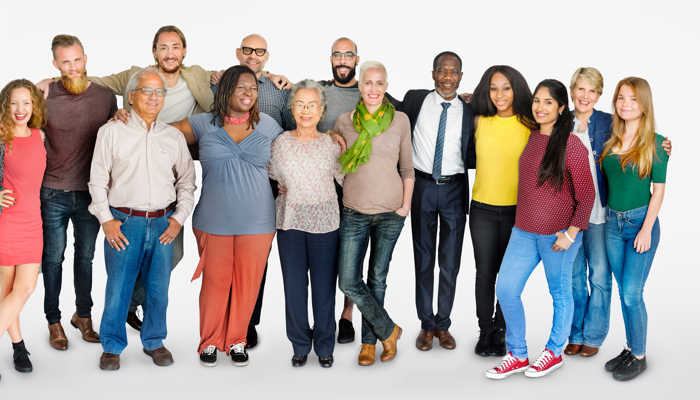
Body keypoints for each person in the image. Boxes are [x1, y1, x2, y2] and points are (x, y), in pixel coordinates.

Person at [169, 65, 281, 367]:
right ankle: (209, 342)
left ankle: (237, 341)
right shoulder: (204, 123)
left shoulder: (268, 125)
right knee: (215, 283)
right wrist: (126, 117)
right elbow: (161, 132)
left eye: (253, 88)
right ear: (225, 89)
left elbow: (298, 145)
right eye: (241, 87)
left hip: (259, 221)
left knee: (247, 284)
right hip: (213, 219)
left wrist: (333, 134)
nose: (248, 93)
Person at [88, 68, 196, 371]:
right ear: (132, 95)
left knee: (158, 288)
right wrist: (106, 220)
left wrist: (179, 218)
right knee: (119, 286)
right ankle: (111, 345)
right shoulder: (111, 131)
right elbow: (97, 180)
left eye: (160, 92)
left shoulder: (173, 136)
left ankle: (154, 341)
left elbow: (187, 182)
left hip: (163, 223)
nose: (154, 97)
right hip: (124, 222)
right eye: (147, 91)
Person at [486, 79, 595, 379]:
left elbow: (586, 195)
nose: (540, 107)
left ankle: (554, 352)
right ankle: (518, 354)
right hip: (523, 230)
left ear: (561, 108)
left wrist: (571, 233)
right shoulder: (532, 137)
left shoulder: (572, 145)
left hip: (558, 235)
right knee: (506, 289)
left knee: (559, 294)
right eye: (537, 100)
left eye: (548, 102)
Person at [564, 68, 672, 359]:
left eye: (593, 91)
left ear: (599, 95)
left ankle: (600, 338)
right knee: (574, 277)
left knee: (606, 280)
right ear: (571, 90)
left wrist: (663, 145)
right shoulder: (563, 123)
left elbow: (654, 174)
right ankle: (578, 334)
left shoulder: (611, 123)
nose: (586, 96)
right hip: (576, 216)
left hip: (609, 217)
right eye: (580, 89)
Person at [386, 51, 476, 351]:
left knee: (450, 263)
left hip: (454, 189)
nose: (448, 77)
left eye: (454, 72)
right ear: (433, 73)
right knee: (423, 260)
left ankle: (443, 325)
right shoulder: (415, 100)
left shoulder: (471, 109)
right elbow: (381, 99)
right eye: (442, 71)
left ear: (461, 76)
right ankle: (426, 325)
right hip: (422, 187)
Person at [41, 34, 118, 351]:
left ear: (85, 58)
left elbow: (116, 139)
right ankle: (53, 320)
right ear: (56, 64)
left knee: (85, 259)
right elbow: (19, 135)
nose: (72, 67)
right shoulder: (43, 95)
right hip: (52, 192)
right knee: (53, 260)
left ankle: (83, 315)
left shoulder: (105, 97)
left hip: (91, 195)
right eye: (65, 62)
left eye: (77, 59)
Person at [335, 61, 414, 366]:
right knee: (348, 280)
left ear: (387, 87)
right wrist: (332, 140)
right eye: (368, 83)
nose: (374, 89)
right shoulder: (344, 121)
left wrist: (405, 206)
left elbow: (407, 168)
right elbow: (337, 160)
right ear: (360, 85)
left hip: (391, 213)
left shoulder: (401, 121)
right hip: (354, 211)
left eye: (380, 83)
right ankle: (389, 330)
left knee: (377, 278)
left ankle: (368, 344)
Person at [267, 79, 344, 368]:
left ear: (322, 110)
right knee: (294, 290)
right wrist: (277, 190)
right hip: (290, 224)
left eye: (312, 105)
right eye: (300, 104)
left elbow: (346, 180)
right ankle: (300, 344)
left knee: (324, 290)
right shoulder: (281, 143)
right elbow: (270, 178)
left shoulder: (331, 144)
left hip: (326, 223)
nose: (306, 110)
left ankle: (325, 345)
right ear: (292, 108)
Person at [600, 77, 667, 381]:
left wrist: (646, 230)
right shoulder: (609, 139)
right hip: (612, 224)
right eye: (621, 98)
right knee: (623, 290)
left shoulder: (657, 143)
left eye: (633, 100)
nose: (626, 104)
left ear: (644, 105)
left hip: (641, 223)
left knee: (631, 292)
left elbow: (659, 190)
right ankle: (630, 347)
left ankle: (639, 355)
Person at [469, 65, 537, 357]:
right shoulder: (478, 121)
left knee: (507, 276)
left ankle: (500, 331)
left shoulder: (531, 124)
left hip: (517, 213)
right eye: (494, 88)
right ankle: (485, 331)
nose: (500, 94)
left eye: (506, 88)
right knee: (485, 274)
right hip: (482, 210)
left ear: (517, 89)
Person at [0, 79, 47, 377]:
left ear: (34, 105)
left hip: (33, 222)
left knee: (24, 288)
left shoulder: (40, 135)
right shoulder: (1, 137)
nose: (21, 109)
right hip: (7, 222)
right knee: (8, 290)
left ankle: (16, 345)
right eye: (14, 103)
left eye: (26, 103)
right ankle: (18, 346)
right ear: (6, 105)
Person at [320, 37, 361, 344]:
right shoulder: (317, 90)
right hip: (319, 187)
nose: (343, 60)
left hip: (356, 186)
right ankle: (321, 316)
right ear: (331, 59)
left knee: (352, 254)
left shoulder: (371, 93)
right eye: (338, 55)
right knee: (323, 255)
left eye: (349, 55)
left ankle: (346, 316)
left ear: (357, 60)